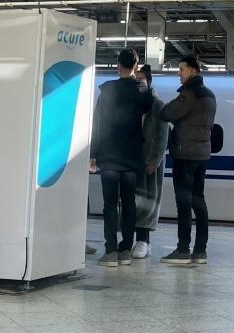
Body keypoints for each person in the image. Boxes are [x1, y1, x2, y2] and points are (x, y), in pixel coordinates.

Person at [89, 48, 152, 266]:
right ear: (136, 65)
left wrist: (93, 153)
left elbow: (97, 124)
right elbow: (149, 111)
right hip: (131, 157)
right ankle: (125, 250)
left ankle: (111, 251)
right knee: (129, 204)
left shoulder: (107, 89)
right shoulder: (142, 89)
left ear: (118, 65)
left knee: (109, 205)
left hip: (109, 157)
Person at [160, 55, 217, 265]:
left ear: (193, 70)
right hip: (202, 155)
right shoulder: (210, 95)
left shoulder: (190, 94)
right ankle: (200, 251)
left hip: (185, 155)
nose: (179, 73)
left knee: (183, 203)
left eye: (181, 69)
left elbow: (167, 113)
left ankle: (183, 249)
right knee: (198, 200)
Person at [131, 64, 166, 259]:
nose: (137, 83)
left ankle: (143, 240)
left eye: (141, 80)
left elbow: (162, 136)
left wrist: (155, 159)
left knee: (147, 200)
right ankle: (138, 240)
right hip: (133, 159)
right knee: (134, 200)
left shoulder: (158, 105)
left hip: (150, 162)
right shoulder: (132, 104)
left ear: (149, 81)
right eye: (135, 80)